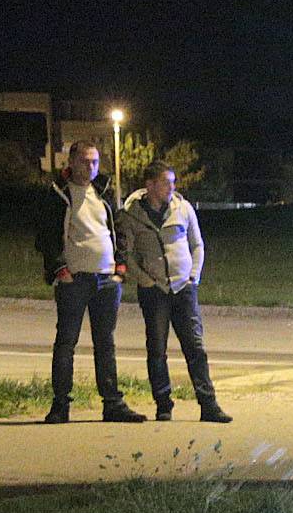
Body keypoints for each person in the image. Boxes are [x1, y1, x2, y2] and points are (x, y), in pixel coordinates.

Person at [35, 140, 144, 425]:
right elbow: (46, 236)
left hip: (107, 279)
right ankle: (60, 405)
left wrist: (120, 266)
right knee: (66, 343)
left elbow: (118, 228)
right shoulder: (58, 193)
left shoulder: (104, 192)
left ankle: (112, 403)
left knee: (105, 343)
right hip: (74, 280)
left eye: (95, 162)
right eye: (85, 161)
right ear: (70, 162)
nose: (91, 167)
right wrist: (60, 270)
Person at [118, 162, 231, 423]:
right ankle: (163, 405)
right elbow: (127, 253)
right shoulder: (131, 215)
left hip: (184, 289)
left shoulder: (183, 208)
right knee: (157, 349)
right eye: (166, 182)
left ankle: (208, 404)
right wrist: (144, 280)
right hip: (154, 291)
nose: (172, 187)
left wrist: (193, 276)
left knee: (195, 347)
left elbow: (197, 244)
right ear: (151, 185)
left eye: (173, 182)